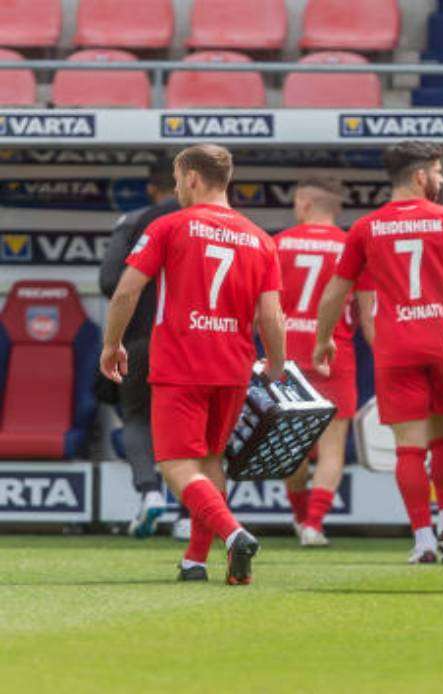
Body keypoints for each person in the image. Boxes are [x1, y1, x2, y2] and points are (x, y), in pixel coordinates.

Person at [100, 144, 286, 585]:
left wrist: (112, 344)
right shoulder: (260, 239)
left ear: (192, 179)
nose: (179, 188)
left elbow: (125, 292)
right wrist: (276, 364)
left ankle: (234, 533)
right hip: (233, 365)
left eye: (181, 180)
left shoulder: (170, 226)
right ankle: (195, 561)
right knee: (211, 460)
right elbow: (271, 315)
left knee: (175, 463)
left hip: (181, 362)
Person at [313, 142, 443, 564]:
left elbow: (337, 290)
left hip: (396, 346)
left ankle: (423, 540)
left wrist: (323, 338)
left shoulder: (366, 228)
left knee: (409, 447)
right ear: (420, 176)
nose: (442, 180)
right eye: (439, 172)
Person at [276, 176, 374, 547]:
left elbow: (260, 310)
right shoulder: (352, 247)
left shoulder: (279, 244)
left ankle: (301, 518)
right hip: (335, 355)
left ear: (303, 204)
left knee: (290, 444)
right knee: (332, 446)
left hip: (286, 354)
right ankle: (315, 525)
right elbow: (368, 317)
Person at [99, 159, 181, 539]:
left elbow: (111, 282)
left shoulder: (134, 221)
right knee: (193, 423)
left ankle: (149, 493)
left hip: (141, 337)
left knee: (135, 416)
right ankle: (191, 513)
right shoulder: (217, 224)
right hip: (195, 339)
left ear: (153, 187)